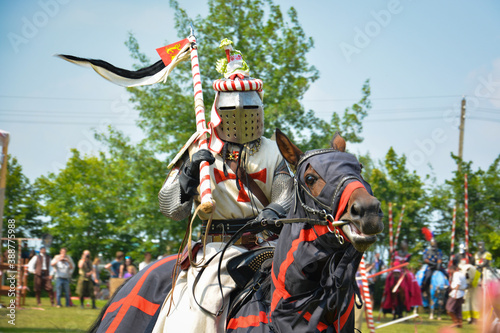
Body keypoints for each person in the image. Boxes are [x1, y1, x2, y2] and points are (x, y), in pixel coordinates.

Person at [153, 39, 293, 333]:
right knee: (196, 315)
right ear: (219, 110)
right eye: (232, 110)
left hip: (269, 246)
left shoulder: (274, 151)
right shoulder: (199, 147)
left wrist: (275, 210)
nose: (241, 116)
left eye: (249, 108)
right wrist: (188, 176)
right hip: (217, 249)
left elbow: (288, 196)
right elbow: (171, 209)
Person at [446, 264, 467, 328]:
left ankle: (455, 322)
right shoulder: (461, 274)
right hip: (461, 293)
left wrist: (455, 293)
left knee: (449, 309)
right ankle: (460, 324)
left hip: (457, 292)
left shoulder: (456, 274)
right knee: (458, 309)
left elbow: (458, 283)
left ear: (452, 270)